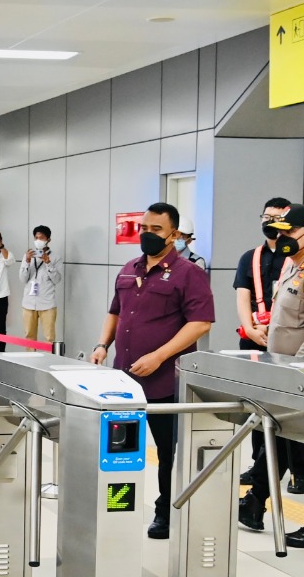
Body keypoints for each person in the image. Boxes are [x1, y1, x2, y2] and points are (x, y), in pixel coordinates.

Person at [90, 202, 214, 540]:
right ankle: (118, 506)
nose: (148, 234)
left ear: (174, 234)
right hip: (123, 382)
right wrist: (103, 344)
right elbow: (115, 312)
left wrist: (160, 356)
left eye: (156, 229)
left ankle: (165, 512)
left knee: (169, 454)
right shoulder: (129, 269)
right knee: (120, 453)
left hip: (165, 383)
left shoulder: (190, 274)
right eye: (144, 228)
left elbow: (200, 323)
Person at [241, 205, 304, 547]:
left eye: (288, 232)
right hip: (290, 370)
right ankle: (255, 503)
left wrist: (298, 366)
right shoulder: (295, 267)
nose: (281, 238)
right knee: (284, 439)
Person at [233, 196, 294, 494]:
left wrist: (273, 330)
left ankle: (297, 471)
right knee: (255, 403)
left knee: (285, 406)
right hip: (252, 339)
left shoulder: (295, 257)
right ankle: (260, 462)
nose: (269, 222)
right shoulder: (250, 257)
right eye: (265, 216)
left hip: (284, 341)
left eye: (277, 217)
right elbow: (242, 296)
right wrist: (251, 329)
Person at [19, 225, 62, 343]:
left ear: (48, 240)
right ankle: (29, 361)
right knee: (29, 336)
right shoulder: (28, 256)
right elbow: (23, 279)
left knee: (49, 338)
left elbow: (57, 279)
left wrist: (48, 263)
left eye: (42, 238)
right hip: (28, 302)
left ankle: (48, 361)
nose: (38, 240)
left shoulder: (55, 257)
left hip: (47, 303)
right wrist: (27, 261)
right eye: (36, 237)